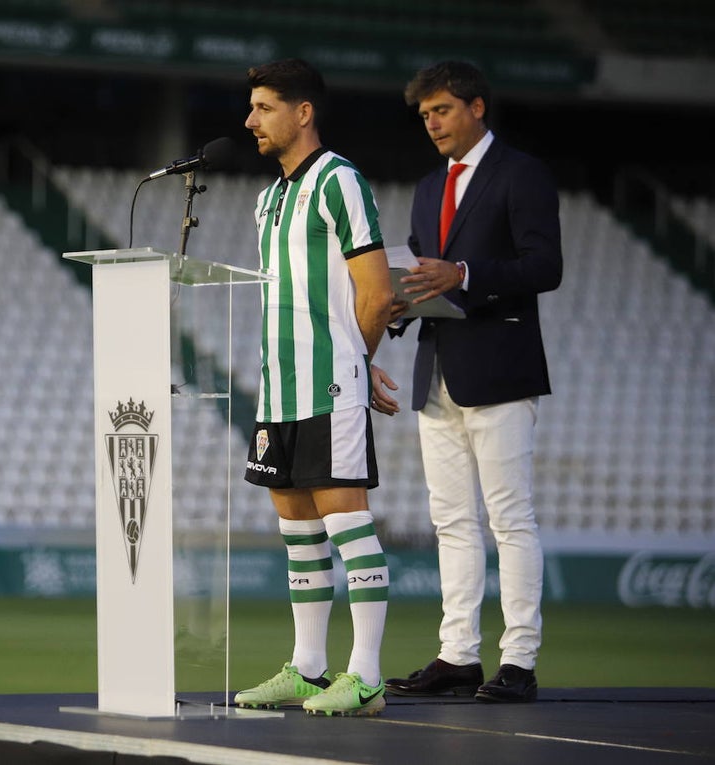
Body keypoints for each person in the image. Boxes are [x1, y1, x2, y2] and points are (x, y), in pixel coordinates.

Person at [370, 60, 563, 703]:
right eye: (424, 115)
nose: (431, 123)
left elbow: (546, 266)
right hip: (437, 368)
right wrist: (400, 304)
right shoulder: (429, 186)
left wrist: (464, 274)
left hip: (501, 366)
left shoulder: (521, 172)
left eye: (442, 110)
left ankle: (519, 661)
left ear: (477, 107)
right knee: (450, 520)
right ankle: (458, 656)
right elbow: (422, 270)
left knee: (510, 518)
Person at [234, 58, 394, 717]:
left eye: (264, 107)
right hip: (277, 389)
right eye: (252, 107)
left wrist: (355, 361)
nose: (250, 120)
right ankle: (306, 668)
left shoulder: (340, 180)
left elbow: (377, 293)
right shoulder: (266, 199)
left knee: (347, 524)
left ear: (303, 112)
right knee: (298, 533)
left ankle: (367, 676)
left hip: (328, 385)